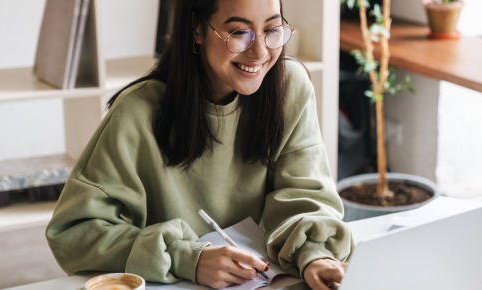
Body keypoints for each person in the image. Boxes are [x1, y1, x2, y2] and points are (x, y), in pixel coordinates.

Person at [45, 0, 353, 289]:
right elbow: (73, 234)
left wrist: (315, 253)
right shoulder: (137, 113)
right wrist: (185, 257)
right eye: (238, 33)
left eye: (272, 30)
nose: (260, 52)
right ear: (197, 29)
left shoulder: (290, 87)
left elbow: (305, 194)